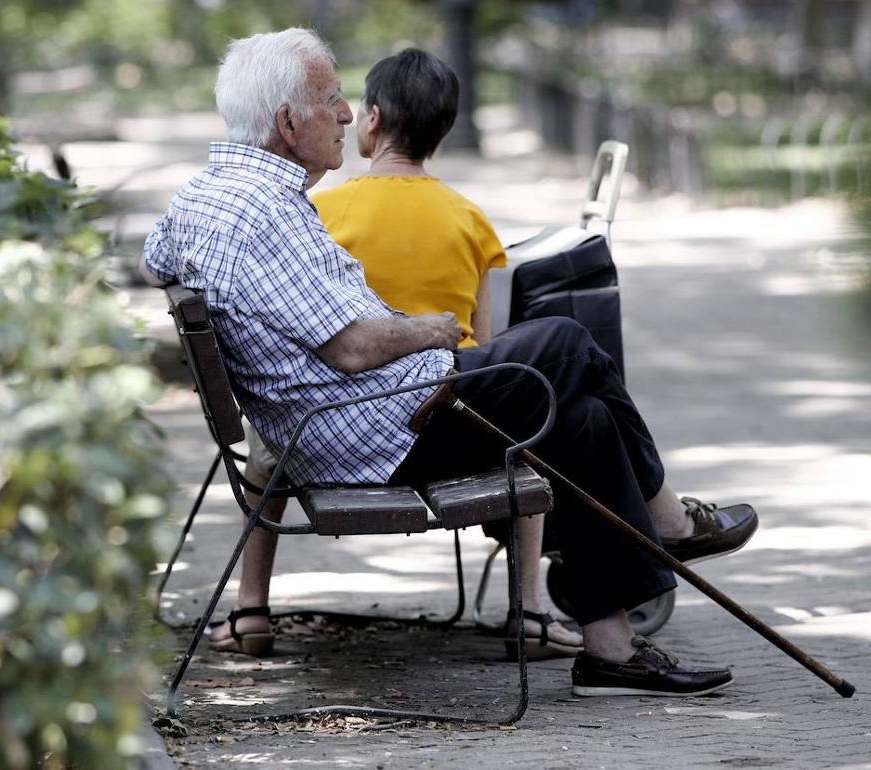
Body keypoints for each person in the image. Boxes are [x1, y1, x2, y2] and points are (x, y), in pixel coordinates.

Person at [140, 28, 758, 697]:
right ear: (288, 123)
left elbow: (156, 258)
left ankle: (609, 650)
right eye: (331, 99)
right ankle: (669, 522)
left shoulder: (206, 196)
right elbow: (350, 349)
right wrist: (431, 329)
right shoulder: (263, 213)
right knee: (569, 342)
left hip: (357, 419)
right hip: (379, 431)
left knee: (581, 420)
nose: (348, 113)